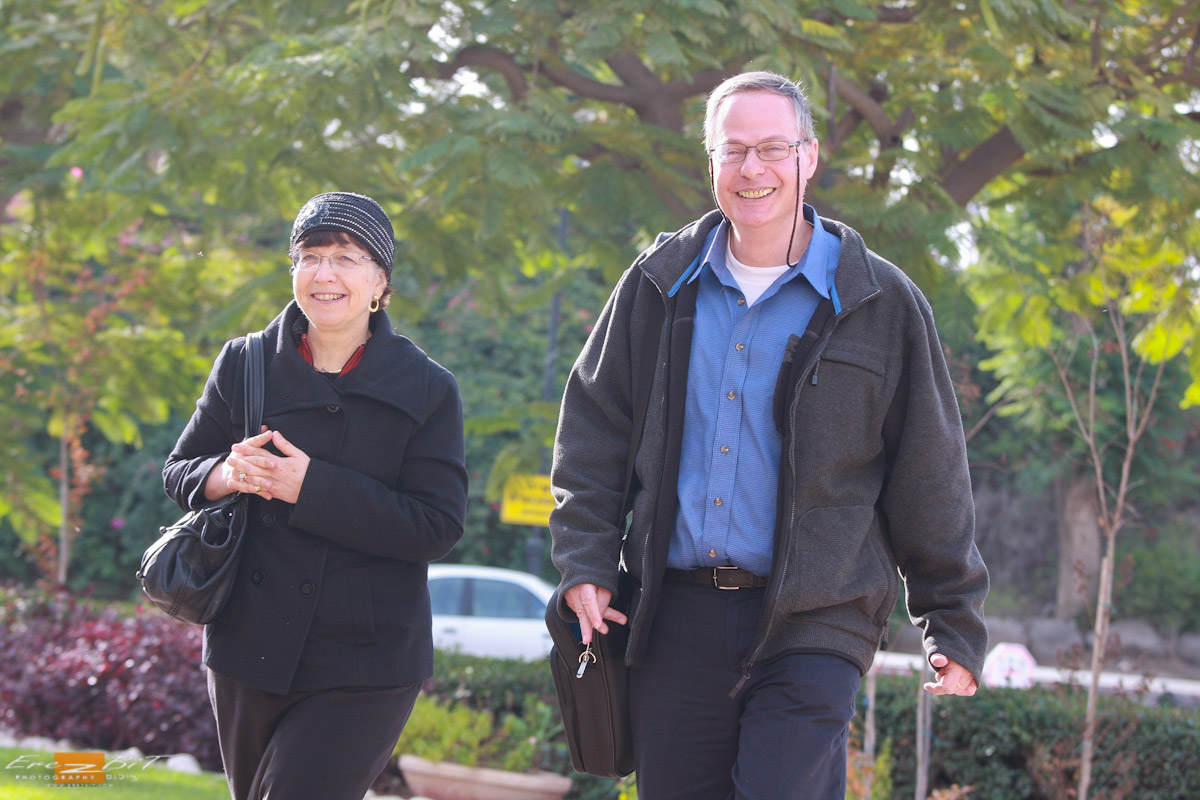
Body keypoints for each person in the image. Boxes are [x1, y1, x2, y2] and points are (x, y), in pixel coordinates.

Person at [549, 72, 988, 799]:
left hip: (816, 622)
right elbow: (594, 431)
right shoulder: (658, 284)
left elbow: (930, 467)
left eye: (773, 148)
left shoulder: (882, 302)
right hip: (674, 616)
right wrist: (586, 560)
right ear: (711, 162)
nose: (752, 168)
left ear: (808, 157)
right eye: (734, 150)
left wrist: (952, 617)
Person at [163, 191, 468, 800]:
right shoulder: (245, 362)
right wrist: (228, 472)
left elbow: (437, 525)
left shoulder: (428, 387)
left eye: (347, 257)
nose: (324, 273)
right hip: (249, 646)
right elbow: (180, 471)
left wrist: (311, 488)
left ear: (380, 282)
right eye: (310, 256)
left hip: (367, 659)